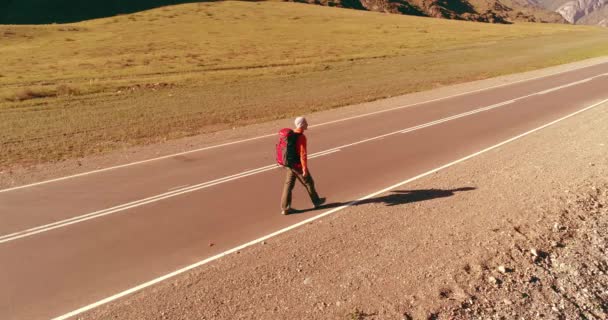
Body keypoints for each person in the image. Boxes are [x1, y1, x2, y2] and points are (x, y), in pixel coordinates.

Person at [281, 116, 325, 215]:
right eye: (305, 123)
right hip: (297, 165)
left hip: (289, 164)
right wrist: (304, 168)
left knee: (288, 185)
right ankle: (317, 202)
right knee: (309, 182)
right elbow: (303, 154)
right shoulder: (301, 137)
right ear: (301, 125)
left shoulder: (290, 135)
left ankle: (285, 208)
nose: (307, 124)